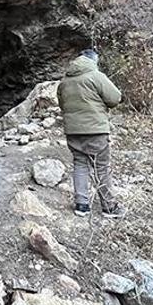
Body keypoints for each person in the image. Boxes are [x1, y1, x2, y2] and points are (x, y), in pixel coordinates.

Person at [57, 49, 123, 218]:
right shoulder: (96, 75)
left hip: (73, 131)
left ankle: (82, 205)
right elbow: (115, 98)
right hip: (95, 130)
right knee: (101, 166)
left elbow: (62, 105)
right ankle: (109, 208)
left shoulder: (64, 82)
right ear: (93, 61)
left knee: (80, 164)